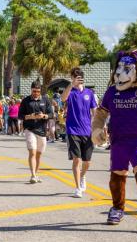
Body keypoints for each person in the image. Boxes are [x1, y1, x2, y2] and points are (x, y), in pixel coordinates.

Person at [61, 67, 97, 198]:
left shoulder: (89, 93)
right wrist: (71, 84)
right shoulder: (70, 92)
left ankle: (82, 176)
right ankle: (77, 188)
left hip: (87, 131)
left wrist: (98, 127)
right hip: (72, 130)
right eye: (74, 77)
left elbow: (94, 111)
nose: (77, 79)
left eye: (78, 77)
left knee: (87, 162)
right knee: (77, 160)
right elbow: (63, 98)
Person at [18, 81, 53, 183]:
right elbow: (20, 115)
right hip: (30, 129)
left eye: (38, 91)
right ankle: (33, 175)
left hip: (42, 130)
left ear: (40, 91)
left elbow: (51, 114)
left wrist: (44, 116)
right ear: (31, 90)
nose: (36, 93)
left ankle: (36, 174)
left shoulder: (45, 100)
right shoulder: (26, 101)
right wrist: (30, 116)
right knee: (32, 152)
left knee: (39, 154)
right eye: (34, 91)